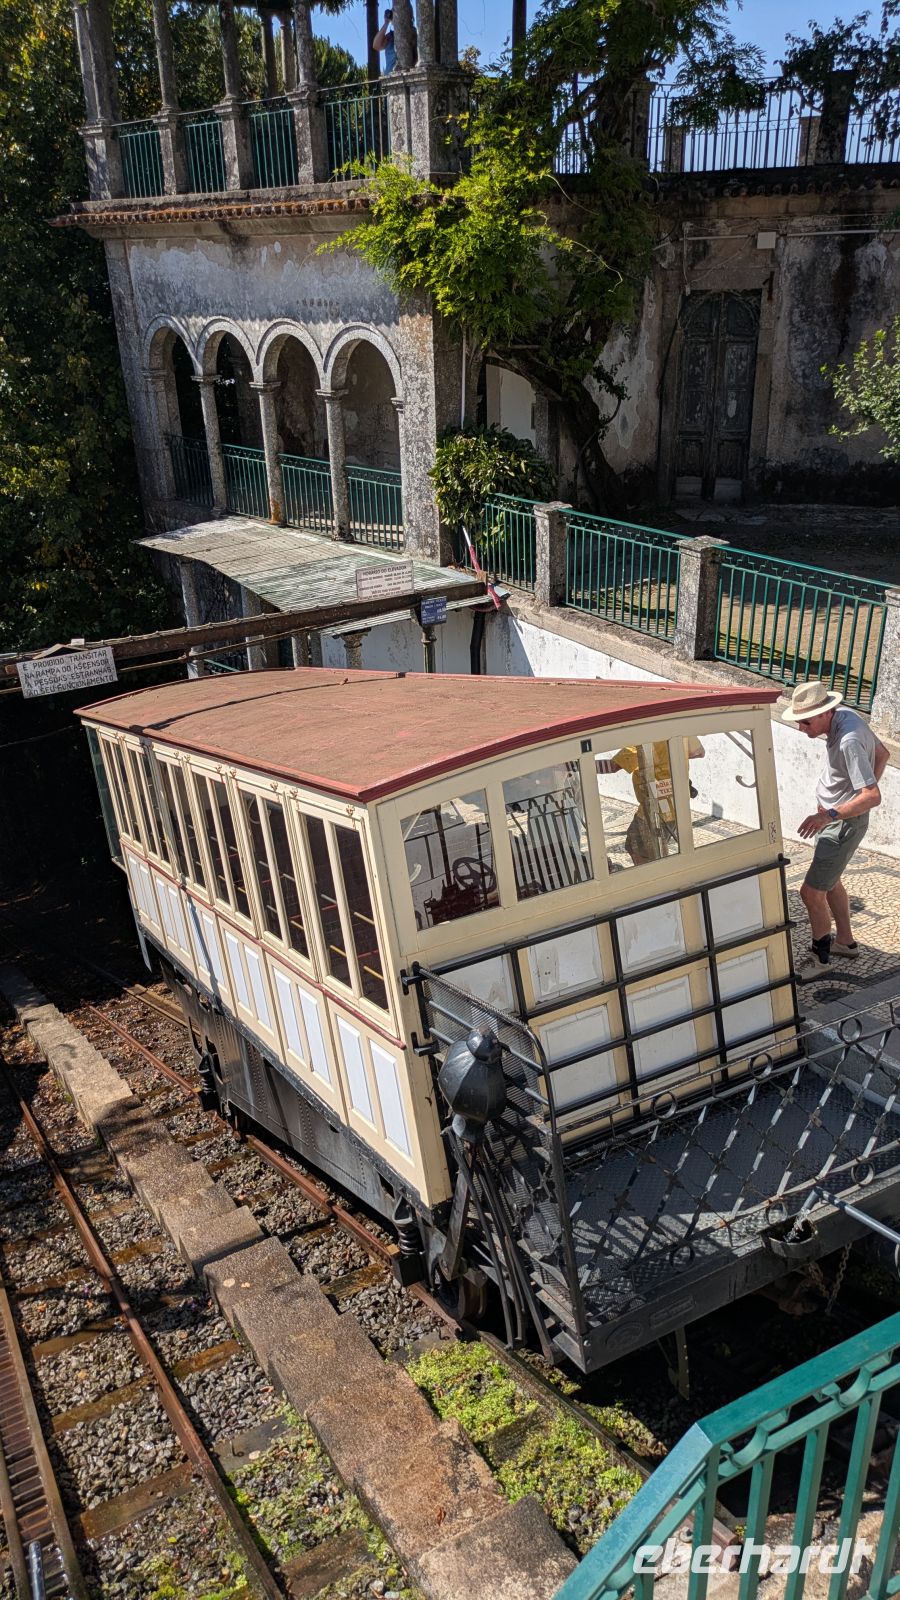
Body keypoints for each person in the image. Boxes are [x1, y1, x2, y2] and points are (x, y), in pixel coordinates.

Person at [782, 679, 888, 976]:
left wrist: (830, 814)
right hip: (839, 819)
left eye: (805, 722)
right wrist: (849, 800)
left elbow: (872, 796)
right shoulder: (846, 716)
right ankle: (845, 942)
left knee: (810, 893)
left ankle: (820, 959)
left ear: (824, 713)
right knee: (831, 882)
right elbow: (883, 755)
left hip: (840, 825)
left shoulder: (848, 740)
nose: (801, 729)